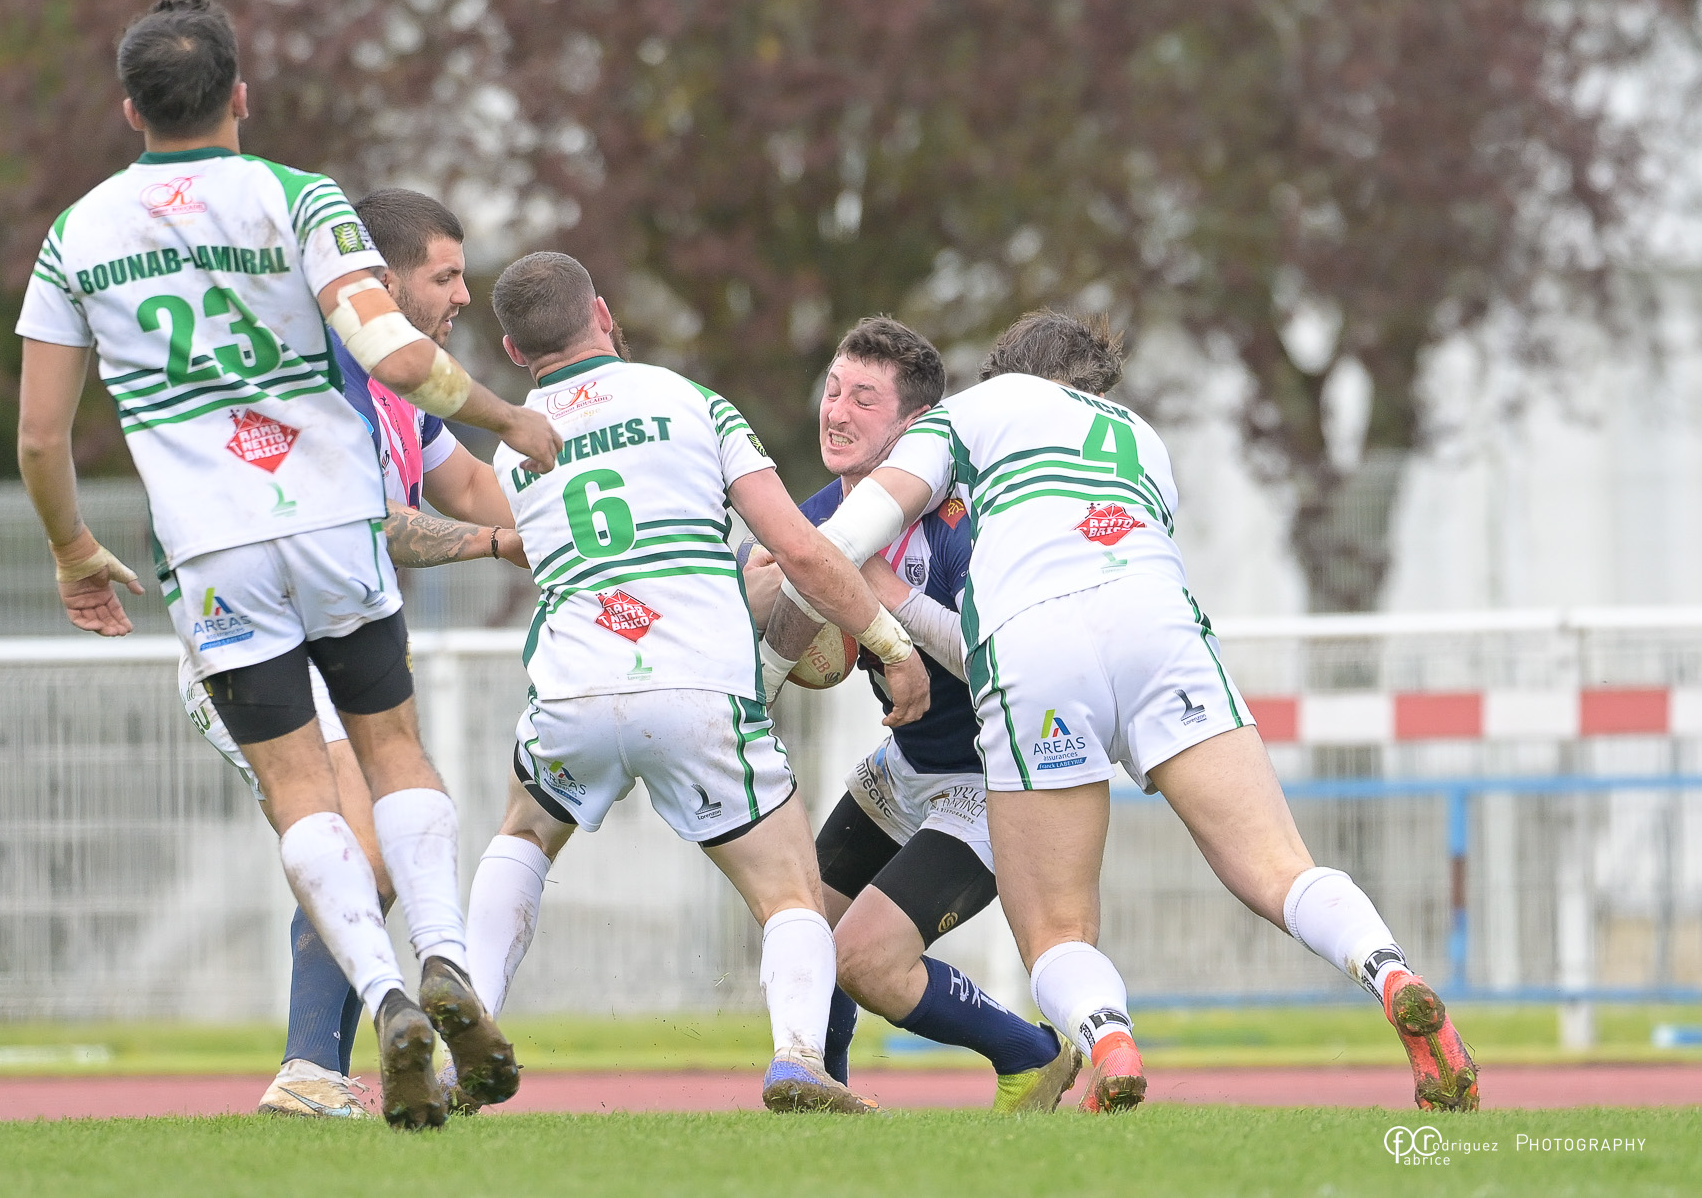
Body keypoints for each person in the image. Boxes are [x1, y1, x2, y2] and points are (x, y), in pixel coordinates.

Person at [13, 0, 560, 1131]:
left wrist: (73, 549)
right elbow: (387, 350)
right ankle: (443, 958)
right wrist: (507, 416)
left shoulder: (75, 236)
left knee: (300, 792)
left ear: (130, 109)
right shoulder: (300, 198)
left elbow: (38, 437)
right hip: (330, 522)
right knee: (392, 750)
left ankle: (386, 1000)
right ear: (240, 95)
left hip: (211, 552)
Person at [768, 310, 1480, 1113]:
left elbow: (842, 540)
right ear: (1094, 385)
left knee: (1058, 930)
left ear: (1004, 372)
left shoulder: (973, 412)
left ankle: (1108, 1039)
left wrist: (820, 638)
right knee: (1281, 869)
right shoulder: (1141, 438)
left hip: (1035, 649)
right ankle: (1391, 971)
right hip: (1159, 626)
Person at [479, 252, 930, 1113]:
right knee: (791, 891)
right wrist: (888, 642)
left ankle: (466, 1028)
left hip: (573, 686)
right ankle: (798, 1059)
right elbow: (801, 549)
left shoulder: (512, 445)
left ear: (512, 349)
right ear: (602, 311)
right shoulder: (691, 402)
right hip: (694, 684)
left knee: (523, 835)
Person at [173, 189, 525, 1118]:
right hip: (254, 642)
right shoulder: (320, 376)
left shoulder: (403, 395)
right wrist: (498, 546)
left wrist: (579, 529)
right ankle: (312, 1066)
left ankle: (324, 1067)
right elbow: (379, 525)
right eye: (445, 276)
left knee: (374, 854)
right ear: (383, 280)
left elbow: (473, 485)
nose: (462, 296)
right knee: (367, 844)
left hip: (329, 646)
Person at [739, 317, 1078, 1113]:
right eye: (832, 390)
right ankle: (826, 1104)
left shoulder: (963, 525)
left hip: (993, 784)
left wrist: (885, 597)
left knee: (865, 961)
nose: (836, 412)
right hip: (902, 772)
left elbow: (1000, 668)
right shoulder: (814, 517)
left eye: (864, 399)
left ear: (914, 426)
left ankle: (1033, 1055)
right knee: (803, 931)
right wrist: (759, 595)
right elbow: (763, 630)